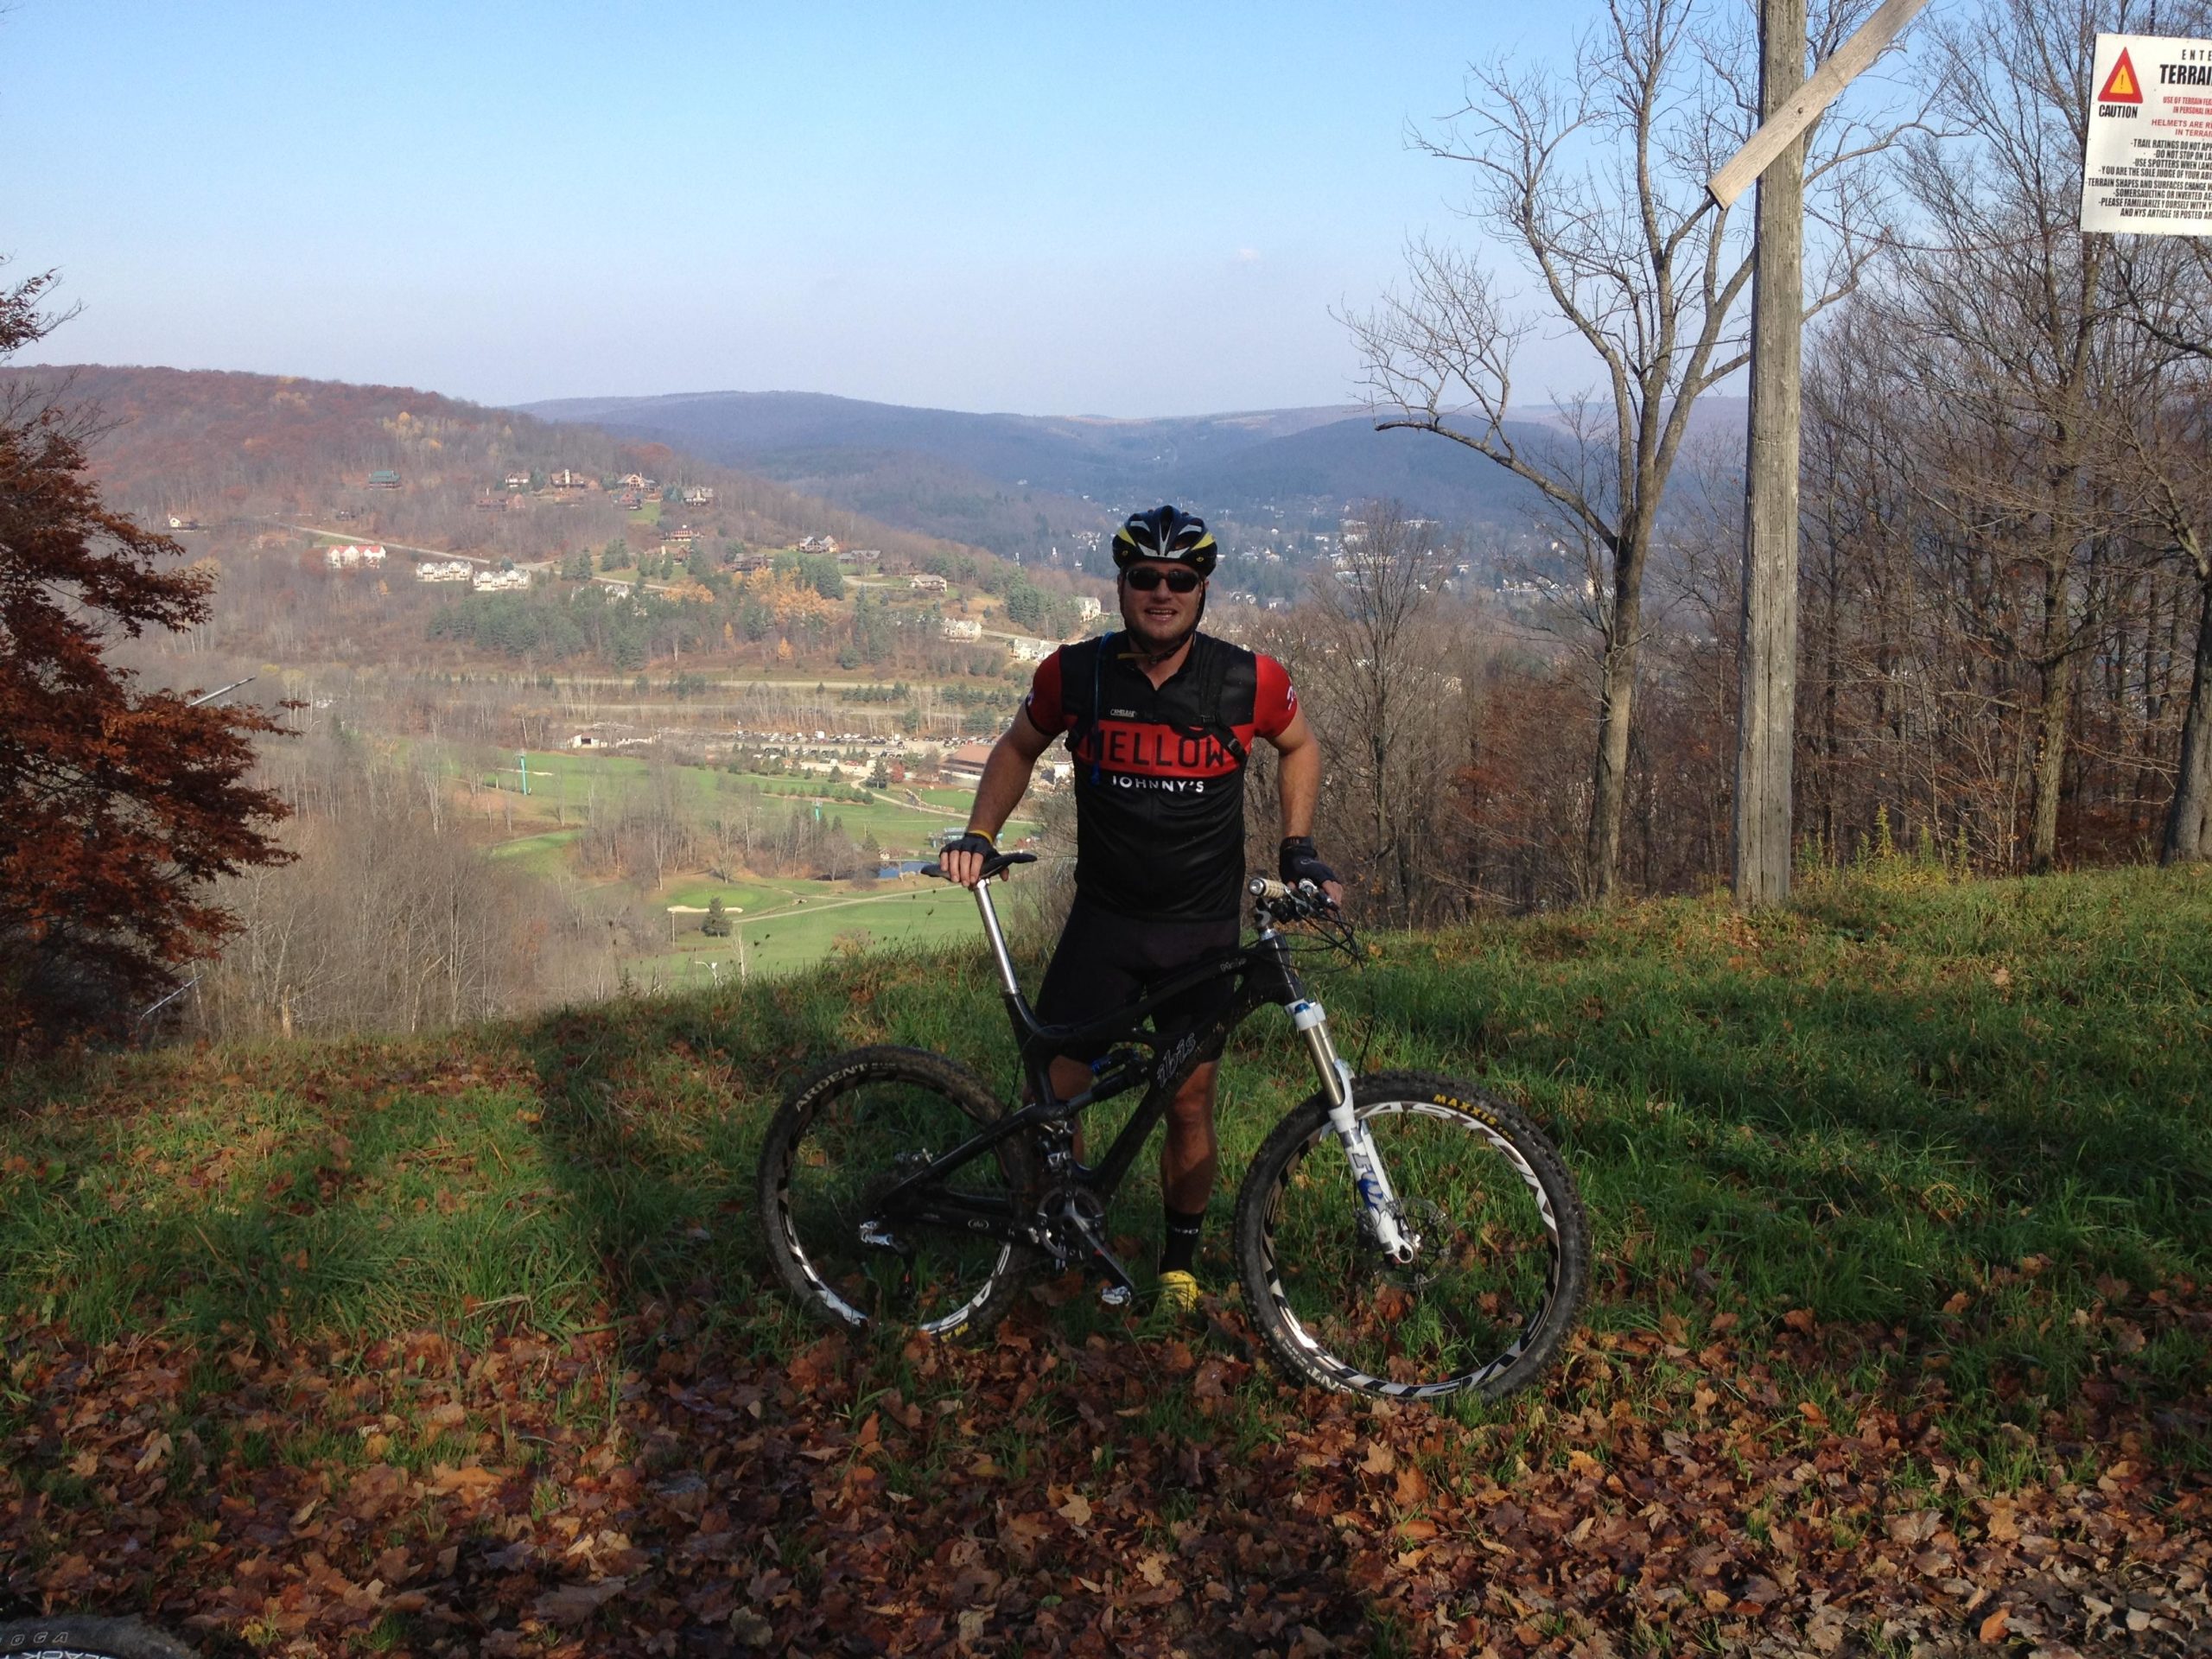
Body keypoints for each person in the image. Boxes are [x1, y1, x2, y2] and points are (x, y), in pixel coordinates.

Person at [940, 505, 1342, 1317]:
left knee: (1189, 1100)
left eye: (1179, 580)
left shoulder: (1247, 679)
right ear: (1122, 585)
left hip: (1199, 931)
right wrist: (981, 833)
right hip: (1106, 922)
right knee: (1055, 1089)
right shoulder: (1075, 675)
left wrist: (1297, 848)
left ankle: (1178, 1267)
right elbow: (1019, 746)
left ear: (1201, 589)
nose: (1162, 593)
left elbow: (1301, 743)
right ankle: (1064, 1234)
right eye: (1145, 578)